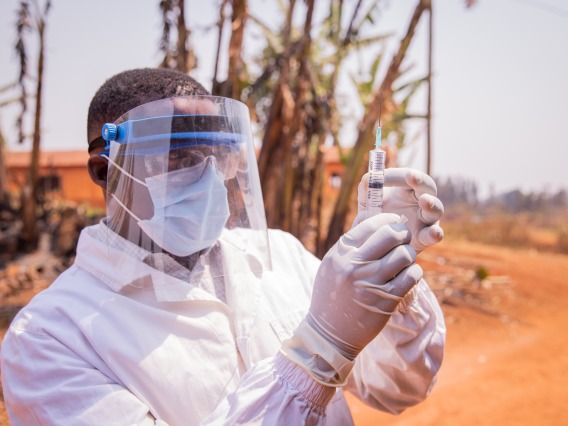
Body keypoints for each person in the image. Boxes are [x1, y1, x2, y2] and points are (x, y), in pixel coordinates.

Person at [0, 68, 446, 425]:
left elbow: (398, 387)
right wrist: (317, 354)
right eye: (181, 157)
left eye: (220, 155)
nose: (211, 177)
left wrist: (390, 271)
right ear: (104, 169)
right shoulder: (49, 338)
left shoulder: (279, 256)